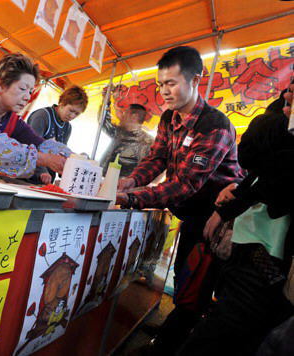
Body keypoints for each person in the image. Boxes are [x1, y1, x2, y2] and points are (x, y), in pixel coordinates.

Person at [116, 46, 244, 355]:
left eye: (171, 83)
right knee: (183, 278)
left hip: (217, 219)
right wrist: (132, 180)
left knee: (194, 288)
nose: (164, 91)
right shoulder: (168, 118)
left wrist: (131, 198)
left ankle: (165, 347)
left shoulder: (215, 126)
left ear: (196, 79)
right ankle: (172, 332)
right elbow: (156, 158)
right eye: (161, 84)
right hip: (190, 215)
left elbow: (185, 184)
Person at [177, 85, 294, 356]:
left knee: (229, 328)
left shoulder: (272, 127)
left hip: (265, 252)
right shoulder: (278, 116)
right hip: (251, 245)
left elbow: (270, 176)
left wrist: (232, 205)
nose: (287, 96)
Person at [26, 85, 88, 184]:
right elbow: (31, 146)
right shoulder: (42, 116)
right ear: (62, 103)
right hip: (28, 176)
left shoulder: (68, 127)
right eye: (71, 110)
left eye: (76, 114)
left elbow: (62, 152)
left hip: (47, 180)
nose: (72, 116)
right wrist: (42, 171)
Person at [100, 101, 154, 177]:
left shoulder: (148, 142)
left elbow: (153, 167)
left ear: (134, 116)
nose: (121, 116)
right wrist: (106, 101)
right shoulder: (118, 131)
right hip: (103, 177)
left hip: (126, 185)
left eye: (125, 113)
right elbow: (103, 122)